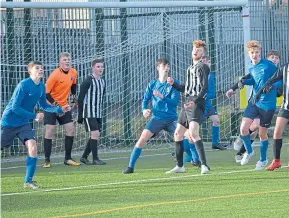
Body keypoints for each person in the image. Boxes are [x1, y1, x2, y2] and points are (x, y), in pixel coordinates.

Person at [1, 61, 71, 189]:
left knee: (32, 146)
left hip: (23, 123)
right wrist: (34, 116)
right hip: (9, 122)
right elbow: (15, 108)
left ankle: (28, 181)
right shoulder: (23, 85)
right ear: (30, 71)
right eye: (37, 68)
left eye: (42, 68)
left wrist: (60, 109)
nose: (41, 70)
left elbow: (44, 105)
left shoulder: (42, 87)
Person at [226, 40, 281, 170]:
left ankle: (263, 160)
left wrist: (273, 86)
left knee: (262, 134)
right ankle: (249, 151)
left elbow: (281, 78)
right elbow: (254, 80)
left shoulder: (269, 65)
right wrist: (244, 82)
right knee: (243, 129)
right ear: (248, 54)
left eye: (257, 52)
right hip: (254, 102)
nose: (254, 55)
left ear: (260, 53)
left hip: (267, 106)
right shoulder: (251, 66)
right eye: (252, 53)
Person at [122, 58, 180, 174]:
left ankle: (193, 159)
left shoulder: (173, 83)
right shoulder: (153, 84)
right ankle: (130, 167)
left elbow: (174, 103)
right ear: (158, 68)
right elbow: (145, 100)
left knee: (183, 138)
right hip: (157, 118)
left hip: (171, 119)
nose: (167, 68)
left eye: (168, 66)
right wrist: (144, 110)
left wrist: (162, 97)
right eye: (164, 66)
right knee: (142, 139)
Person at [166, 40, 210, 175]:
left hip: (197, 102)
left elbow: (204, 88)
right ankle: (180, 166)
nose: (196, 51)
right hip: (188, 102)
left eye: (199, 50)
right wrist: (173, 84)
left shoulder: (203, 66)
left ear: (203, 54)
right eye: (195, 49)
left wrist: (195, 101)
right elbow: (186, 88)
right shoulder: (190, 68)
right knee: (178, 133)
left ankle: (204, 165)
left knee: (193, 133)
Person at [42, 52, 80, 167]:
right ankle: (47, 161)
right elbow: (46, 93)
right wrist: (56, 106)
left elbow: (73, 85)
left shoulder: (74, 72)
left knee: (70, 129)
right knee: (50, 131)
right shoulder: (54, 75)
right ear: (60, 62)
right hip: (50, 107)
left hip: (64, 106)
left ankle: (67, 158)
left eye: (68, 59)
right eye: (64, 59)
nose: (67, 61)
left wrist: (73, 99)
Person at [252, 63, 288, 171]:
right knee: (277, 132)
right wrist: (258, 93)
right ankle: (276, 161)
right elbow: (270, 80)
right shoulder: (284, 68)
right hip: (286, 107)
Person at [77, 59, 106, 165]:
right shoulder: (88, 81)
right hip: (88, 112)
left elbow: (101, 96)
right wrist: (80, 114)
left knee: (95, 134)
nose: (100, 69)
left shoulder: (102, 81)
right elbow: (80, 98)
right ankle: (95, 158)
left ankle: (84, 157)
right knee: (95, 133)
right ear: (93, 68)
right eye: (98, 67)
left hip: (97, 112)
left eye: (101, 66)